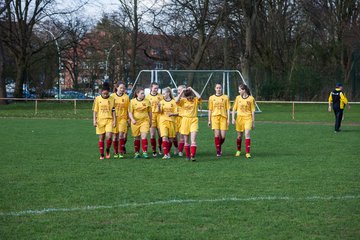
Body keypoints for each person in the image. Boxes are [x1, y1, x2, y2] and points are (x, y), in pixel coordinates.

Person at [176, 86, 202, 161]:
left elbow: (199, 96)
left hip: (194, 120)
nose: (190, 99)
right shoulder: (183, 100)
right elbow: (176, 100)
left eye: (191, 97)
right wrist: (182, 92)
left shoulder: (196, 100)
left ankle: (192, 155)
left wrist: (192, 89)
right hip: (185, 120)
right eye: (188, 98)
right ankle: (188, 156)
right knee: (186, 140)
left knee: (193, 140)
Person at [92, 82, 116, 160]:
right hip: (100, 120)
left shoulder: (112, 99)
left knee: (109, 137)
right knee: (101, 137)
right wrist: (94, 120)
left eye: (106, 94)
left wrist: (114, 120)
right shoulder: (97, 99)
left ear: (108, 92)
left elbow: (113, 110)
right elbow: (95, 111)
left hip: (109, 120)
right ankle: (102, 154)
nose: (105, 95)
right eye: (104, 94)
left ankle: (107, 149)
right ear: (101, 92)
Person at [232, 84, 255, 159]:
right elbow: (234, 109)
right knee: (239, 136)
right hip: (239, 119)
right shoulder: (237, 98)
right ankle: (238, 150)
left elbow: (252, 111)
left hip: (248, 118)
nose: (239, 91)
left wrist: (253, 122)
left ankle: (248, 153)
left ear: (244, 90)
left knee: (247, 134)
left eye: (240, 90)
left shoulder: (251, 99)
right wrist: (233, 118)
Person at [208, 83, 230, 157]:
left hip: (223, 117)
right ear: (215, 89)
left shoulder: (226, 97)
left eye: (220, 88)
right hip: (214, 117)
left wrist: (228, 119)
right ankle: (218, 151)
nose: (218, 89)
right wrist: (209, 120)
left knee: (223, 136)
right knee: (217, 135)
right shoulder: (211, 98)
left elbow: (228, 109)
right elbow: (210, 110)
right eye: (217, 88)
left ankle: (218, 146)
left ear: (221, 89)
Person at [128, 87, 152, 158]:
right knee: (136, 138)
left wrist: (150, 121)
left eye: (143, 93)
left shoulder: (147, 101)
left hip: (145, 121)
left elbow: (150, 112)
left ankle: (145, 152)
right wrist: (132, 119)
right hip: (135, 122)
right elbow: (130, 112)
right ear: (137, 94)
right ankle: (137, 153)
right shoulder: (132, 101)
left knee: (144, 136)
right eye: (141, 93)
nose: (143, 94)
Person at [111, 81, 130, 158]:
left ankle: (121, 152)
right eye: (121, 88)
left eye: (123, 88)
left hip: (123, 118)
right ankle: (116, 152)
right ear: (117, 88)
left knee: (122, 135)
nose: (122, 89)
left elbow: (129, 109)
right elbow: (111, 108)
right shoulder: (112, 96)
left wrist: (129, 119)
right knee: (115, 136)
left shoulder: (126, 97)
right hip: (115, 118)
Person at [158, 87, 178, 159]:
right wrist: (158, 107)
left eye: (164, 93)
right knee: (164, 137)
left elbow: (177, 113)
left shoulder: (174, 102)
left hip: (172, 122)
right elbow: (160, 112)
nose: (163, 95)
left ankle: (167, 152)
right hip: (163, 121)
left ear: (168, 93)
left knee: (170, 139)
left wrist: (172, 114)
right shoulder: (161, 102)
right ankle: (166, 154)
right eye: (162, 94)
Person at [145, 82, 164, 157]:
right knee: (152, 135)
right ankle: (154, 150)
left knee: (160, 134)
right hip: (151, 116)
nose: (156, 89)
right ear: (151, 88)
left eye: (157, 88)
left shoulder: (161, 96)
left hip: (159, 116)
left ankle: (160, 147)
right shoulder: (147, 97)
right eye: (155, 88)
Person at [175, 85, 186, 156]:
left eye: (180, 90)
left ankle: (180, 151)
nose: (178, 91)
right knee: (174, 136)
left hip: (183, 119)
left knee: (182, 136)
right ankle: (176, 148)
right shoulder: (176, 98)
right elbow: (176, 100)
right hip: (175, 119)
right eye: (178, 90)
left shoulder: (187, 99)